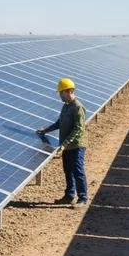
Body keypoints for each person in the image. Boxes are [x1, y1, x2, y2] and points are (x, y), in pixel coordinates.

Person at [37, 77, 88, 207]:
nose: (60, 95)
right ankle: (69, 196)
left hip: (76, 146)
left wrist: (64, 144)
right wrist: (45, 130)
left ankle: (82, 198)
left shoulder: (78, 107)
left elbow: (79, 129)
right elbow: (59, 123)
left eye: (61, 92)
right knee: (68, 170)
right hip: (66, 146)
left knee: (77, 171)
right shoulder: (66, 107)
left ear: (68, 91)